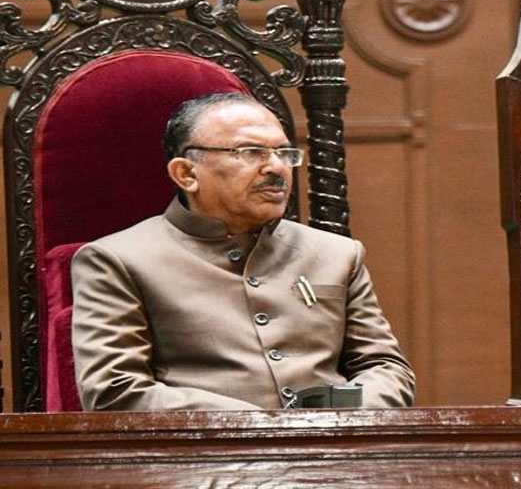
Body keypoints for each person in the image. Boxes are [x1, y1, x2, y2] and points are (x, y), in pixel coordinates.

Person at [72, 93, 415, 410]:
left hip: (334, 449)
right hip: (200, 453)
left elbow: (386, 369)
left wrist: (338, 417)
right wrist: (261, 425)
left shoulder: (337, 254)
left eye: (284, 153)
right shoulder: (117, 259)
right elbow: (115, 390)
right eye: (251, 152)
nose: (276, 167)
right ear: (186, 173)